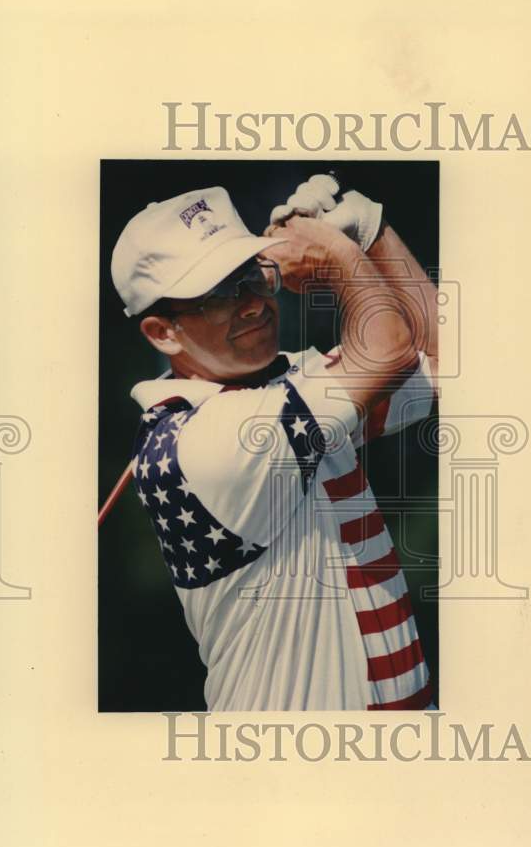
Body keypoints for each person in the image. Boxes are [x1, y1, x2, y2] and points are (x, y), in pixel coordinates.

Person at [110, 175, 439, 710]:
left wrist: (373, 233)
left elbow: (456, 367)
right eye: (218, 293)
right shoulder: (207, 441)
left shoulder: (285, 389)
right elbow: (391, 349)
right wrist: (337, 253)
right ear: (162, 333)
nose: (252, 305)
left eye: (252, 277)